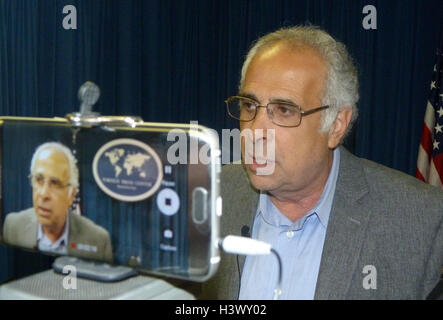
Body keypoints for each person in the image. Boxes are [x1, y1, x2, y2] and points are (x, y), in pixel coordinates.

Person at [202, 25, 443, 299]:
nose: (255, 132)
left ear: (337, 125)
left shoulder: (420, 220)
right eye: (249, 105)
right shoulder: (206, 196)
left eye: (283, 110)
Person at [3, 142, 113, 263]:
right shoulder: (12, 226)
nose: (44, 194)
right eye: (39, 179)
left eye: (55, 183)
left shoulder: (98, 240)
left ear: (71, 195)